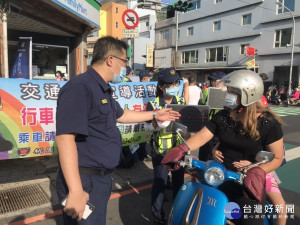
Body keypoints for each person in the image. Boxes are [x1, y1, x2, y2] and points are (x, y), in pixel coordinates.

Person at [55, 36, 181, 225]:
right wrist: (75, 190)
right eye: (124, 61)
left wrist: (156, 115)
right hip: (84, 180)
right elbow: (65, 138)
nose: (125, 68)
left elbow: (122, 115)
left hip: (99, 180)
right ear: (110, 60)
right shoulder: (80, 87)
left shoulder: (102, 89)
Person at [163, 70, 284, 225]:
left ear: (248, 95)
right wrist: (181, 149)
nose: (228, 95)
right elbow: (202, 136)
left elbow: (277, 158)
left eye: (233, 92)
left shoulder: (268, 123)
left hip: (248, 186)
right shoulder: (224, 116)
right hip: (221, 178)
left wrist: (258, 170)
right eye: (229, 91)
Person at [146, 67, 189, 225]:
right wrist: (157, 124)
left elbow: (186, 124)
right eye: (170, 84)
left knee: (179, 183)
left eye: (176, 83)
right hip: (161, 152)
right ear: (161, 87)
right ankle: (157, 214)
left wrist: (187, 133)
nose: (174, 87)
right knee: (160, 183)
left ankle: (178, 210)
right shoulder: (153, 104)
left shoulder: (182, 102)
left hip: (179, 151)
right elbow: (146, 128)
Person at [198, 71, 226, 161]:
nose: (214, 83)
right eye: (212, 81)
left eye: (217, 81)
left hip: (221, 128)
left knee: (217, 155)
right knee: (205, 153)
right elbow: (203, 106)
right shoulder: (207, 91)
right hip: (209, 125)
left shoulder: (228, 93)